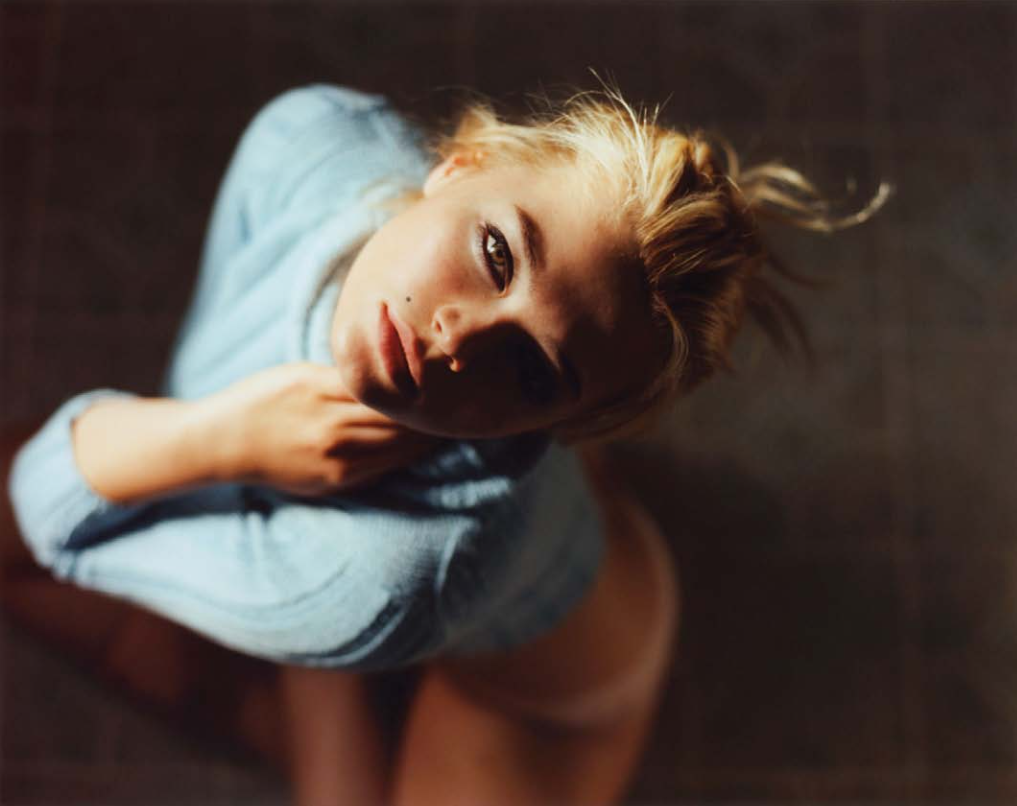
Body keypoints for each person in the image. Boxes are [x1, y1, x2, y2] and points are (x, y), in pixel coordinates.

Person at [3, 83, 888, 805]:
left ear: (550, 429)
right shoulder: (314, 139)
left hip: (546, 692)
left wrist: (221, 436)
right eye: (498, 253)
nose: (459, 340)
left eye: (533, 371)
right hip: (511, 544)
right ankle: (335, 653)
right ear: (456, 167)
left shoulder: (389, 580)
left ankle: (342, 656)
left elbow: (33, 504)